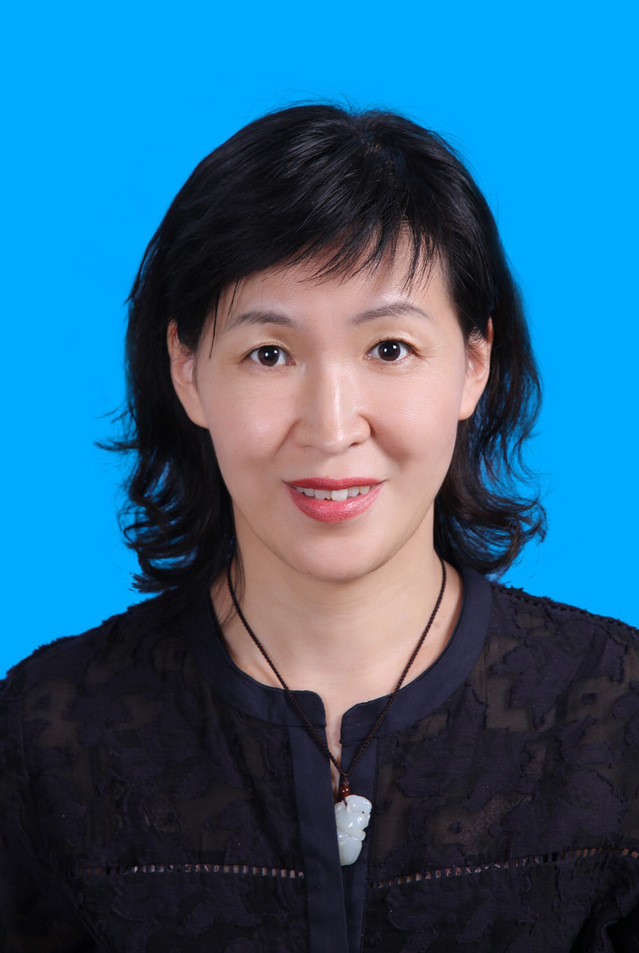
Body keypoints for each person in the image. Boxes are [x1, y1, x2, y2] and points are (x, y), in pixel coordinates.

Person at [1, 104, 638, 953]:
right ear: (187, 370)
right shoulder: (47, 734)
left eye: (389, 349)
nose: (331, 427)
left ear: (472, 364)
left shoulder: (616, 718)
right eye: (269, 354)